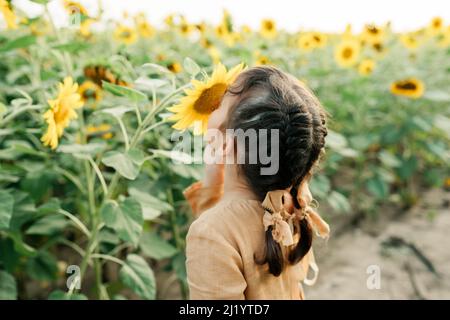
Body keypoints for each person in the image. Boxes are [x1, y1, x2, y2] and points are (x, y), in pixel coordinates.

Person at [184, 66, 330, 299]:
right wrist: (215, 173)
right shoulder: (289, 206)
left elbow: (222, 231)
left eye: (221, 101)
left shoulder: (212, 233)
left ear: (227, 145)